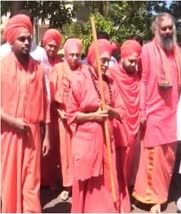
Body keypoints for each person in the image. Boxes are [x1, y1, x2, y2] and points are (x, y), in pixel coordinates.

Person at [66, 39, 125, 212]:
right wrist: (94, 115)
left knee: (107, 185)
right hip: (87, 143)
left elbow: (122, 112)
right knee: (88, 186)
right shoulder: (79, 79)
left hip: (108, 143)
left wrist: (110, 110)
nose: (106, 65)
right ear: (92, 59)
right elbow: (71, 115)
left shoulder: (110, 82)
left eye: (108, 60)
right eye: (103, 60)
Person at [1, 14, 50, 212]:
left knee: (32, 183)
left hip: (33, 134)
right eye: (22, 39)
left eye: (29, 38)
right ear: (11, 41)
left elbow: (45, 103)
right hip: (9, 133)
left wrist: (47, 136)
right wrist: (12, 121)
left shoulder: (38, 69)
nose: (27, 42)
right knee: (10, 181)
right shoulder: (1, 67)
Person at [132, 12, 181, 213]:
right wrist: (142, 111)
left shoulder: (177, 51)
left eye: (170, 27)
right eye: (164, 28)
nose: (168, 31)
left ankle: (162, 195)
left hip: (173, 115)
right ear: (156, 30)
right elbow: (142, 82)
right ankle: (153, 200)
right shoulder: (148, 50)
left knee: (168, 160)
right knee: (153, 159)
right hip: (154, 114)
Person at [108, 39, 142, 212]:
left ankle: (126, 189)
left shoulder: (137, 76)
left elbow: (141, 97)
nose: (133, 64)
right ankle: (118, 193)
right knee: (117, 161)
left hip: (134, 124)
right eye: (131, 61)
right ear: (122, 58)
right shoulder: (112, 74)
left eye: (136, 61)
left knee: (130, 160)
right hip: (118, 124)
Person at [49, 38, 84, 201]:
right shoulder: (57, 69)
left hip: (80, 118)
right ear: (65, 55)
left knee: (79, 151)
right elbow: (50, 96)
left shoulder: (85, 70)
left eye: (78, 55)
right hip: (62, 119)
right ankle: (67, 185)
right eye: (72, 55)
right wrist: (58, 111)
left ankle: (80, 184)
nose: (75, 58)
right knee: (64, 153)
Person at [40, 28, 63, 190]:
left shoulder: (61, 63)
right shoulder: (38, 60)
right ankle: (41, 179)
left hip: (56, 110)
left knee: (54, 145)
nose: (52, 49)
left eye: (55, 46)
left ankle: (53, 180)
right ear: (44, 44)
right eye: (49, 45)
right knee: (40, 143)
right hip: (40, 107)